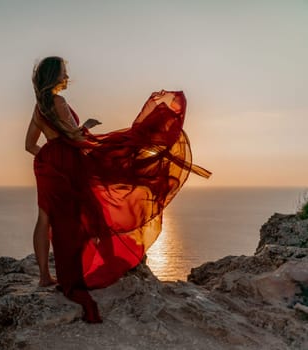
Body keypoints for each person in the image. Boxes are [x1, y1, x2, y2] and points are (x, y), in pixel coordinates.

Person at [25, 56, 211, 323]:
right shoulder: (59, 102)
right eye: (64, 72)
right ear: (54, 76)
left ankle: (44, 275)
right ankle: (109, 264)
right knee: (92, 211)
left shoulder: (38, 107)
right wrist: (87, 126)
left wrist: (50, 159)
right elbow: (74, 137)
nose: (68, 76)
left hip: (45, 164)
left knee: (45, 218)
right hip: (67, 163)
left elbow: (29, 146)